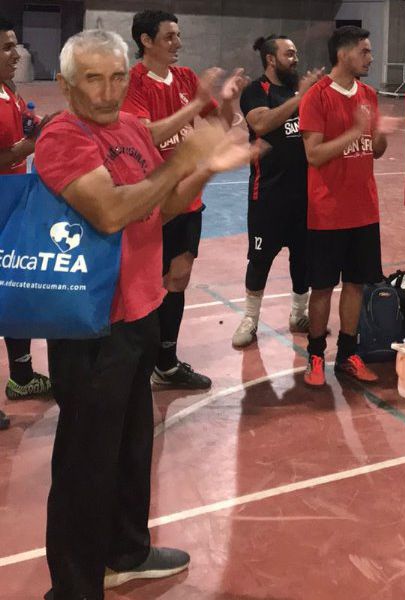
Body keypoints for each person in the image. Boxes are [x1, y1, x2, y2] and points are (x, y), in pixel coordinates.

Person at [33, 29, 258, 598]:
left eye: (117, 77)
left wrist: (205, 167)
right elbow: (110, 212)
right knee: (85, 464)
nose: (108, 91)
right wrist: (182, 156)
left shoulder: (130, 128)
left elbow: (168, 200)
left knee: (131, 449)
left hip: (139, 313)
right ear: (65, 84)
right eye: (93, 78)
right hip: (91, 326)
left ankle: (125, 552)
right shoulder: (64, 136)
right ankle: (74, 587)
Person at [122, 10, 246, 389]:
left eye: (179, 36)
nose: (178, 43)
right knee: (147, 285)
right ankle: (137, 365)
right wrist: (194, 107)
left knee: (178, 277)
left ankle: (167, 360)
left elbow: (220, 123)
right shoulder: (134, 82)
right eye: (169, 37)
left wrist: (226, 101)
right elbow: (147, 137)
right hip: (152, 200)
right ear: (146, 40)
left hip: (189, 198)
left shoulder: (188, 78)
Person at [299, 26, 398, 386]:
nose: (370, 58)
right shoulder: (317, 97)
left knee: (355, 284)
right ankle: (314, 356)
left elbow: (376, 150)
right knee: (322, 287)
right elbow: (313, 154)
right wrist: (355, 133)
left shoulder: (369, 95)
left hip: (363, 210)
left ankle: (347, 354)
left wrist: (380, 132)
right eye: (365, 51)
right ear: (343, 54)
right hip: (327, 212)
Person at [232, 35, 324, 348]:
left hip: (305, 195)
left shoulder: (301, 88)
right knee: (259, 261)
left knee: (303, 259)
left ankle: (299, 314)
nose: (295, 59)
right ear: (271, 59)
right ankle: (250, 318)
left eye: (296, 53)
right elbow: (262, 123)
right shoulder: (256, 91)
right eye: (289, 54)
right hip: (268, 196)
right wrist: (301, 97)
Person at [0, 18, 52, 431]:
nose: (16, 54)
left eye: (15, 46)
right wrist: (28, 145)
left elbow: (22, 133)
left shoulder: (10, 92)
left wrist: (40, 127)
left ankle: (21, 377)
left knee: (14, 295)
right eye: (6, 48)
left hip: (13, 207)